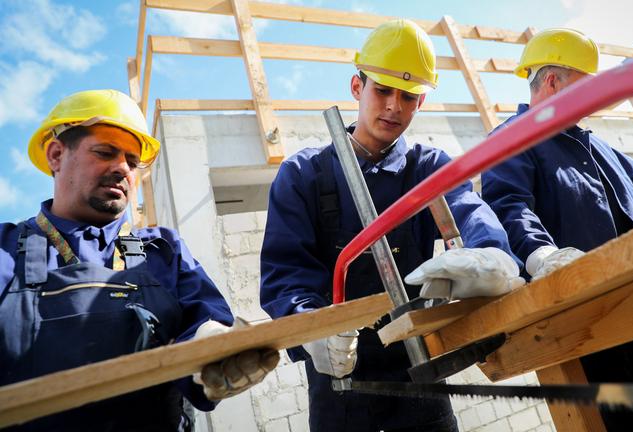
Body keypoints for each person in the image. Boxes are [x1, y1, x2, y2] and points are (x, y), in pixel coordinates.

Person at [260, 19, 525, 432]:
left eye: (408, 96)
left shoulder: (428, 168)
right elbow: (284, 275)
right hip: (339, 388)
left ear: (419, 103)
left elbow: (469, 211)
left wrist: (493, 254)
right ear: (356, 87)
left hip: (420, 382)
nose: (393, 106)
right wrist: (311, 331)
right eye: (382, 90)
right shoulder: (303, 174)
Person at [0, 89, 279, 431]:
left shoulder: (162, 250)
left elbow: (205, 324)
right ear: (57, 154)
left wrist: (212, 349)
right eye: (105, 152)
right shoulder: (5, 250)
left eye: (132, 162)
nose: (122, 168)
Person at [481, 28, 633, 431]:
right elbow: (507, 205)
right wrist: (540, 253)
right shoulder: (511, 140)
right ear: (552, 80)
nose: (595, 101)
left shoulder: (595, 147)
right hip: (585, 331)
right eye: (587, 87)